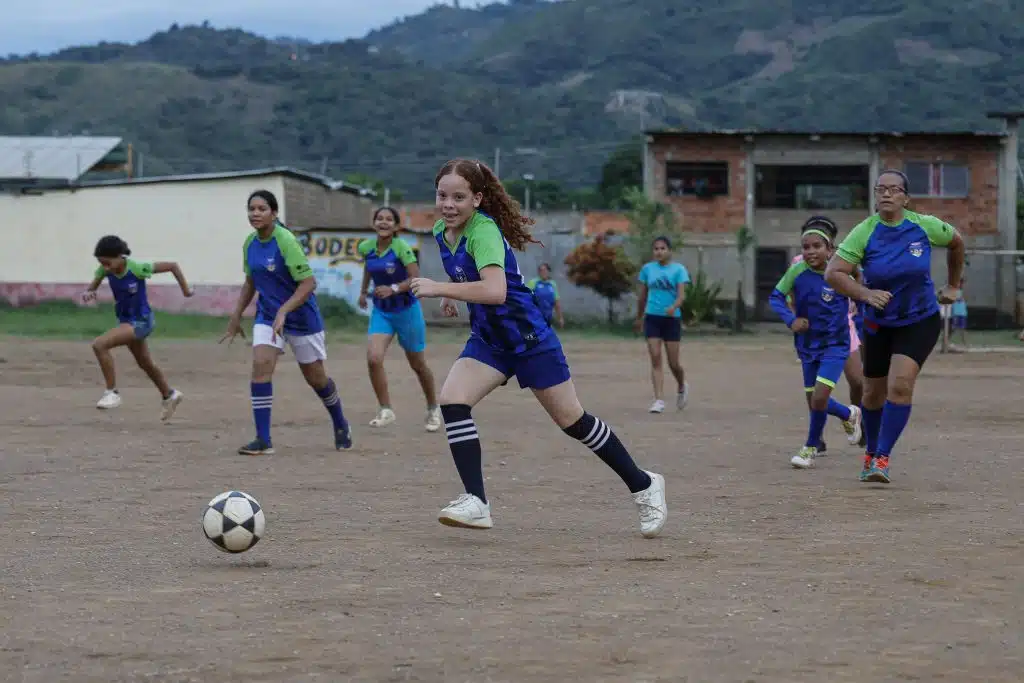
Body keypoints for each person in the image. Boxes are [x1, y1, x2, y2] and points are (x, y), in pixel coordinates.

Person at [409, 158, 667, 538]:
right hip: (490, 340)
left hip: (528, 338)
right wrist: (455, 293)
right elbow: (468, 273)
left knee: (573, 422)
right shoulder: (442, 230)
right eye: (442, 195)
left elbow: (495, 291)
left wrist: (440, 289)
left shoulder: (484, 232)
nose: (448, 204)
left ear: (477, 199)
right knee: (452, 401)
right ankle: (476, 502)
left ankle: (644, 484)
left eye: (459, 197)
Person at [825, 169, 965, 483]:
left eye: (894, 189)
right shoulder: (865, 231)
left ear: (905, 196)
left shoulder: (924, 226)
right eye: (881, 189)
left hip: (919, 319)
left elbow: (957, 242)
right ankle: (871, 451)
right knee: (872, 394)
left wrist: (954, 285)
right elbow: (834, 272)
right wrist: (865, 294)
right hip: (878, 323)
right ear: (875, 195)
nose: (887, 194)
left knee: (900, 386)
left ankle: (882, 459)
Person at [219, 189, 352, 455]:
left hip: (301, 318)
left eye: (261, 209)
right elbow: (250, 282)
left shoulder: (285, 241)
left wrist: (285, 311)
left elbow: (308, 283)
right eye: (251, 209)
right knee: (260, 366)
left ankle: (340, 422)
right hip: (268, 316)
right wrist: (236, 316)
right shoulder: (250, 243)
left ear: (274, 213)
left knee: (316, 379)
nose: (255, 214)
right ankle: (263, 440)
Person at [771, 218, 863, 469]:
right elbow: (776, 296)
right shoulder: (797, 271)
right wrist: (791, 320)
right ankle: (848, 414)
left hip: (836, 344)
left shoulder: (841, 272)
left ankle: (810, 447)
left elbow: (862, 296)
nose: (811, 252)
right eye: (806, 247)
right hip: (807, 345)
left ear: (830, 249)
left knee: (820, 398)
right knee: (814, 399)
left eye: (817, 246)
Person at [82, 235, 191, 420]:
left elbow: (172, 265)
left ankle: (112, 392)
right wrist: (89, 291)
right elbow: (95, 282)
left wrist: (186, 290)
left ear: (120, 256)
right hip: (125, 322)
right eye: (102, 263)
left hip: (141, 322)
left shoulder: (138, 268)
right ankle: (169, 394)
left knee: (100, 344)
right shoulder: (105, 269)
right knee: (145, 363)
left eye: (108, 263)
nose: (105, 268)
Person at [357, 207, 442, 431]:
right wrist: (363, 291)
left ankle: (433, 408)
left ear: (395, 226)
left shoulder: (401, 248)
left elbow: (415, 277)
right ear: (373, 223)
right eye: (379, 218)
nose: (383, 222)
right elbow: (369, 268)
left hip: (407, 312)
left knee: (418, 364)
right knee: (374, 358)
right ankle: (386, 409)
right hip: (382, 312)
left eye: (388, 220)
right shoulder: (366, 248)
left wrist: (394, 288)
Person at [634, 236, 690, 413]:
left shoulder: (678, 270)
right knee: (655, 357)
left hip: (671, 319)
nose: (659, 252)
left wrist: (673, 307)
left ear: (669, 250)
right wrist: (639, 316)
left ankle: (681, 385)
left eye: (662, 248)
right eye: (656, 249)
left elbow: (682, 296)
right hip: (652, 318)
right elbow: (642, 295)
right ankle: (659, 400)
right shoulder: (647, 269)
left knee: (674, 363)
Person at [526, 263, 564, 328]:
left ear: (548, 271)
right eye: (541, 270)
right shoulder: (533, 282)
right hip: (535, 316)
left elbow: (556, 302)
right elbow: (525, 297)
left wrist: (560, 318)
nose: (543, 272)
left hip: (548, 316)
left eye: (545, 270)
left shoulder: (552, 284)